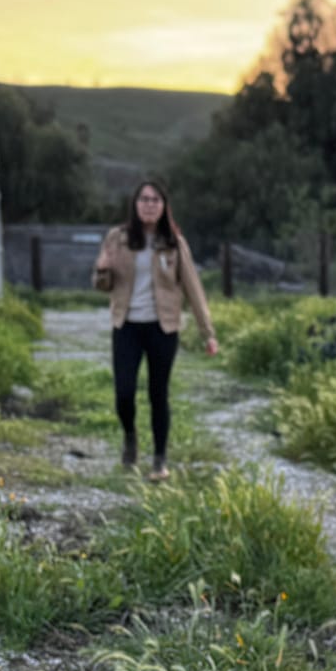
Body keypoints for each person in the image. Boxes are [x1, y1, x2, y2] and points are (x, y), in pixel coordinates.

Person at [92, 179, 218, 480]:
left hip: (163, 328)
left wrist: (208, 333)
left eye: (155, 200)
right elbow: (102, 286)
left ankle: (160, 460)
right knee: (124, 393)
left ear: (163, 206)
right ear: (135, 205)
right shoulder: (117, 238)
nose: (149, 205)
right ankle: (130, 437)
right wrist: (102, 268)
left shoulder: (174, 242)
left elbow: (193, 288)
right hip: (127, 326)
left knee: (158, 394)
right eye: (144, 199)